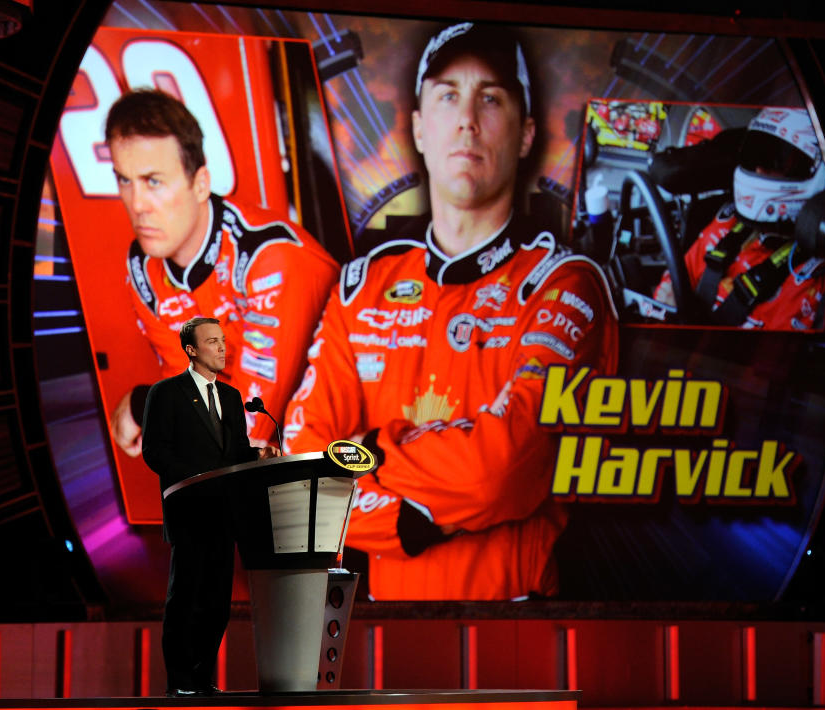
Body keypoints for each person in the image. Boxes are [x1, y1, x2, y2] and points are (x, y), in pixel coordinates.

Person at [283, 23, 619, 600]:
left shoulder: (565, 288)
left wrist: (369, 453)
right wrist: (407, 519)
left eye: (491, 98)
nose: (468, 118)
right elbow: (294, 489)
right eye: (447, 95)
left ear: (524, 134)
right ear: (417, 127)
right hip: (390, 646)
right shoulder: (363, 290)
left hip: (519, 637)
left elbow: (503, 472)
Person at [105, 89, 338, 454]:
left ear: (200, 185)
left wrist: (146, 406)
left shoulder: (267, 257)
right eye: (125, 180)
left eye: (153, 181)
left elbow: (245, 423)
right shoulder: (144, 271)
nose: (137, 205)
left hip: (357, 447)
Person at [142, 317, 273, 696]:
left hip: (224, 515)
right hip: (189, 512)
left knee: (216, 604)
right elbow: (155, 451)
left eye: (223, 341)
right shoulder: (166, 393)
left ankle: (200, 678)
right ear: (191, 350)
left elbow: (230, 455)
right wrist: (198, 479)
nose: (221, 348)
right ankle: (180, 681)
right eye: (212, 341)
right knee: (186, 598)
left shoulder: (232, 397)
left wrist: (258, 454)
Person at [653, 107, 825, 329]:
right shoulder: (727, 224)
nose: (758, 169)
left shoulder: (809, 278)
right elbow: (674, 284)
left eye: (775, 161)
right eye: (756, 155)